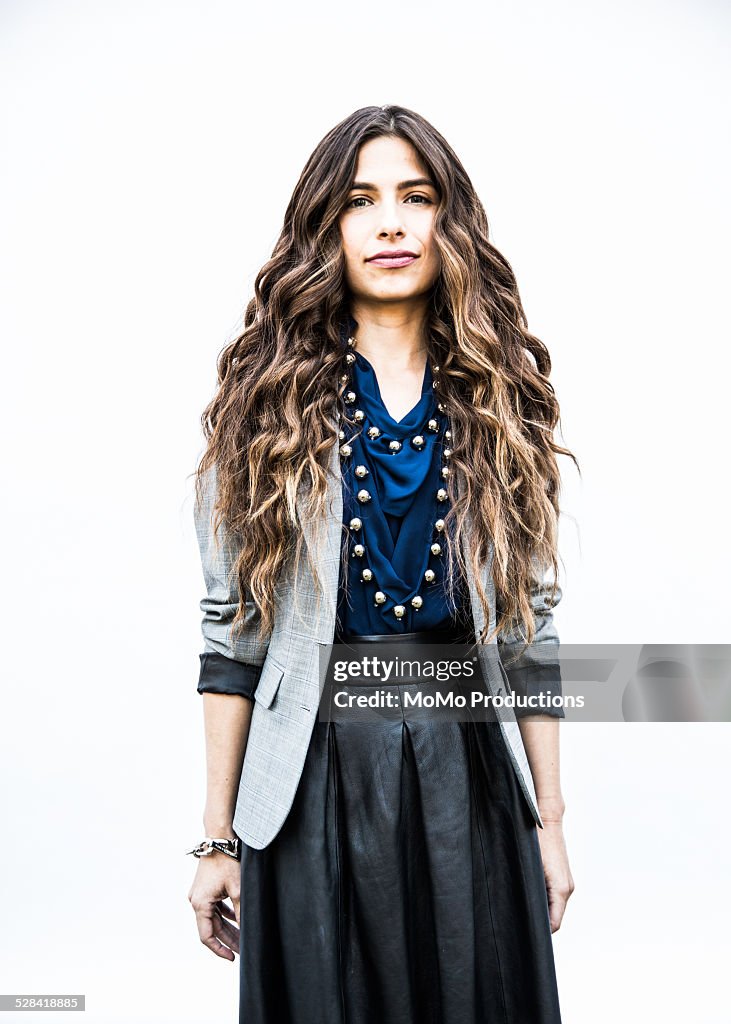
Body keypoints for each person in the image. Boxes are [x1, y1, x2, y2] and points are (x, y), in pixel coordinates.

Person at [187, 103, 577, 1024]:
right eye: (360, 201)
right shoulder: (263, 410)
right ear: (325, 231)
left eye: (417, 196)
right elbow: (229, 644)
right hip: (312, 777)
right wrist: (213, 841)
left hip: (468, 769)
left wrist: (550, 826)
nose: (392, 222)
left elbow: (530, 637)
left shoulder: (500, 406)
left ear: (451, 224)